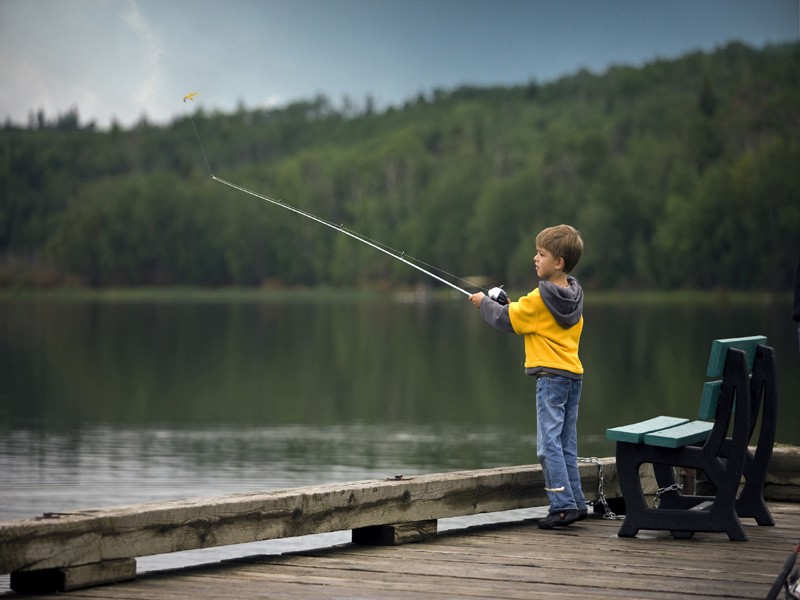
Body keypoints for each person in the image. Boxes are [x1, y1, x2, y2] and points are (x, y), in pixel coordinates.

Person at [469, 224, 587, 529]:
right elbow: (526, 315)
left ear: (558, 262)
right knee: (566, 444)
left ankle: (561, 507)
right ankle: (576, 502)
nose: (535, 258)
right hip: (573, 377)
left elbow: (507, 320)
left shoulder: (539, 298)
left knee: (548, 445)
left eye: (541, 253)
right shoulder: (572, 296)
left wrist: (484, 305)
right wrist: (511, 306)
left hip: (550, 378)